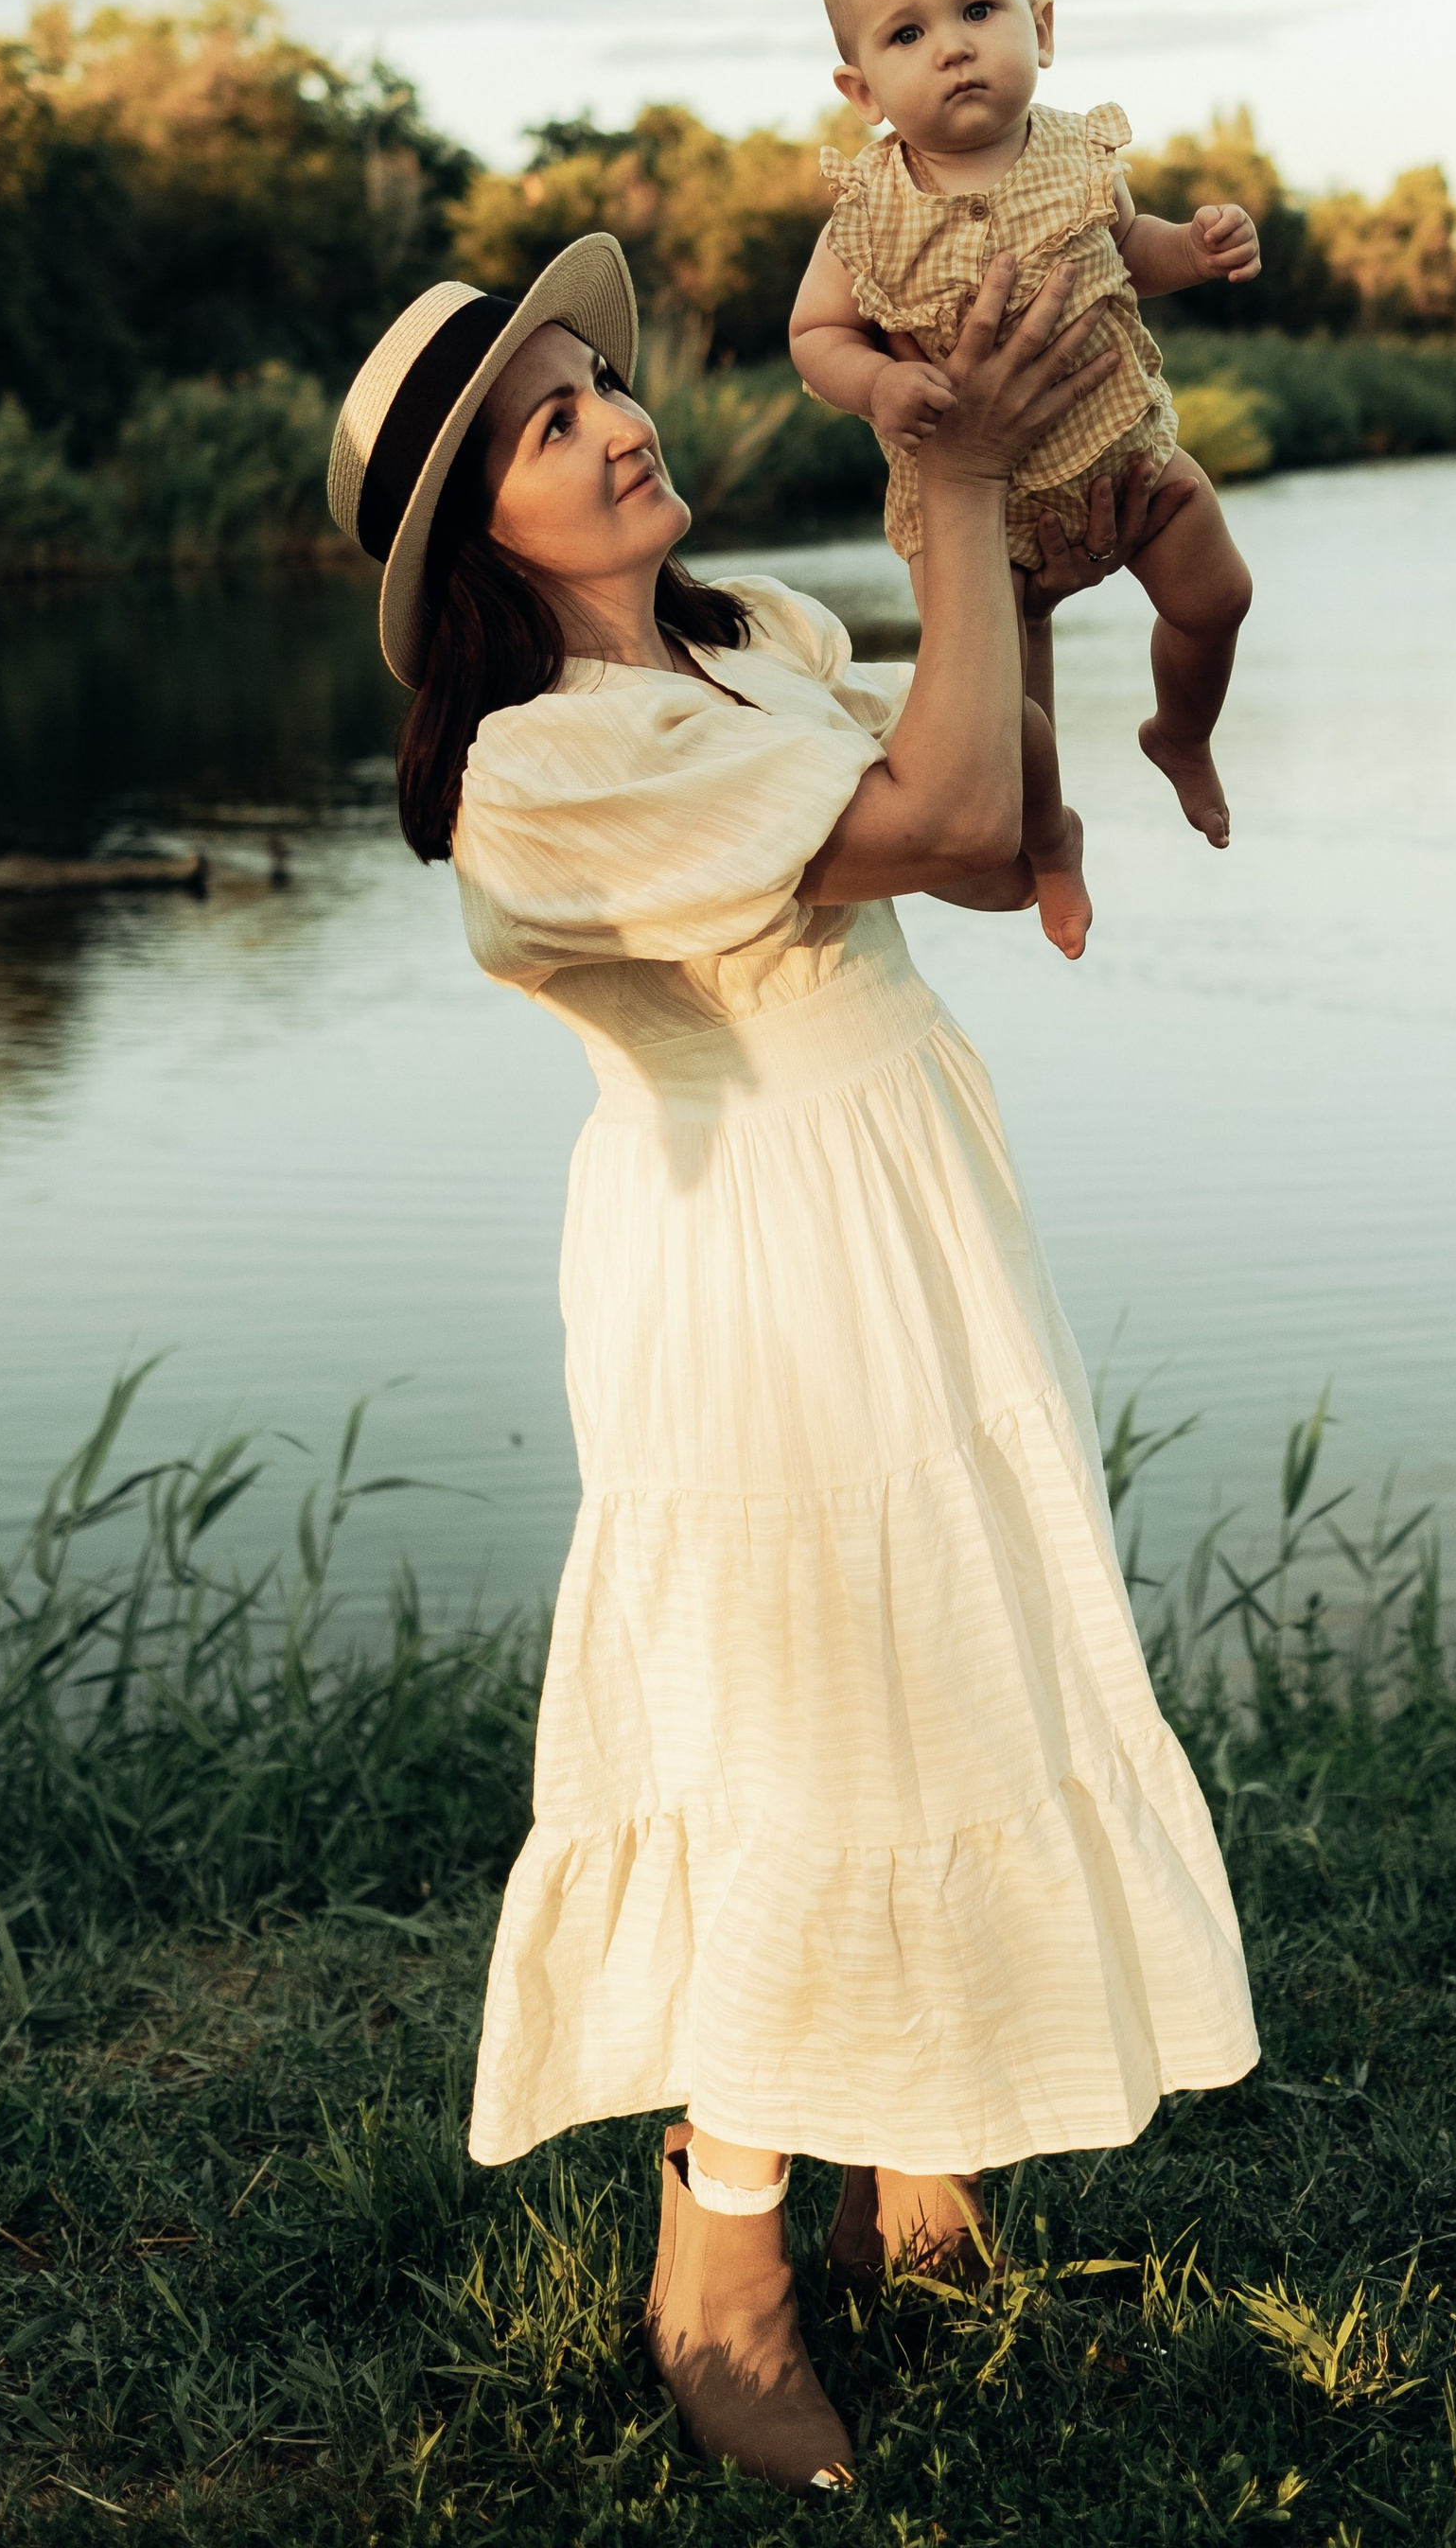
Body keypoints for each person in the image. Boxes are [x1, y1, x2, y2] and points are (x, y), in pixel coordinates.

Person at [325, 231, 1258, 2497]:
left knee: (952, 1645)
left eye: (593, 388)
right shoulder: (540, 774)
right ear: (481, 536)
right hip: (749, 1252)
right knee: (794, 1702)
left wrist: (1023, 488)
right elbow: (937, 823)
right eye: (546, 427)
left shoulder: (748, 638)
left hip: (903, 1179)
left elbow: (989, 791)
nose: (613, 421)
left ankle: (915, 2108)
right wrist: (927, 480)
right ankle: (714, 2258)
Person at [789, 0, 1260, 924]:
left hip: (1123, 450)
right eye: (908, 35)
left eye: (978, 12)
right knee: (1011, 726)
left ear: (1039, 30)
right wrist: (875, 381)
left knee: (1219, 594)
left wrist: (1199, 247)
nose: (952, 49)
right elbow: (814, 335)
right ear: (861, 87)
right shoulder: (866, 213)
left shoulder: (1077, 157)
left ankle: (1180, 732)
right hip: (975, 515)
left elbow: (1131, 255)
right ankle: (1049, 838)